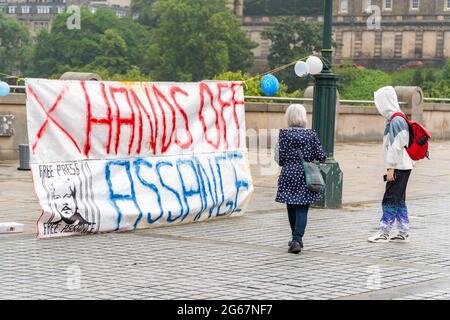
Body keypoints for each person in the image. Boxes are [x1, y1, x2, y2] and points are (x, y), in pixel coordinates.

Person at [275, 104, 326, 254]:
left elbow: (280, 158)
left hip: (289, 173)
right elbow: (321, 156)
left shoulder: (283, 134)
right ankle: (297, 239)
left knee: (291, 205)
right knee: (302, 207)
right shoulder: (311, 134)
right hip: (305, 175)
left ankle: (295, 239)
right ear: (303, 116)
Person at [368, 86, 414, 243]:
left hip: (399, 167)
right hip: (403, 166)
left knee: (389, 198)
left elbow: (395, 146)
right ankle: (403, 230)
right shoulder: (397, 118)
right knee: (399, 199)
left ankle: (384, 232)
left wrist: (391, 168)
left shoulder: (396, 121)